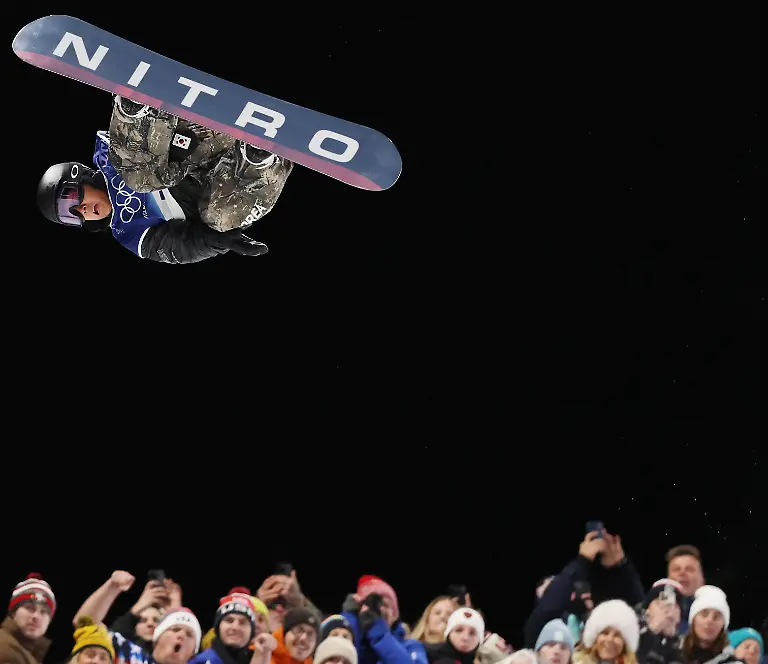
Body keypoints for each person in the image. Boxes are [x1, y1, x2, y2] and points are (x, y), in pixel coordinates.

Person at [36, 94, 293, 264]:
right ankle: (261, 160)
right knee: (221, 220)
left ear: (81, 179)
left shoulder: (108, 158)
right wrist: (218, 241)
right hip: (222, 179)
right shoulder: (128, 232)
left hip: (200, 139)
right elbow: (178, 248)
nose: (80, 209)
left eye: (71, 197)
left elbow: (131, 155)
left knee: (135, 178)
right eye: (72, 216)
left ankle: (138, 107)